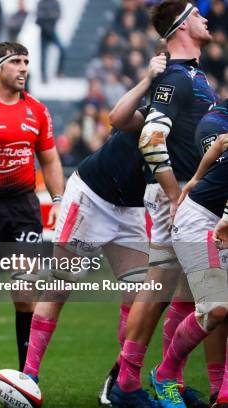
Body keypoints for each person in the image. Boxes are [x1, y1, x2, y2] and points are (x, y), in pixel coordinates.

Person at [14, 54, 165, 407]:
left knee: (139, 297)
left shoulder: (195, 116)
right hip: (93, 197)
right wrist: (146, 78)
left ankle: (120, 383)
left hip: (130, 208)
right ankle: (29, 377)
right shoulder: (153, 105)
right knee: (61, 286)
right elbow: (116, 117)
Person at [109, 2, 219, 407]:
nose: (206, 17)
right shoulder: (176, 76)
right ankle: (129, 381)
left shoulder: (192, 75)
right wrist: (176, 195)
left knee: (186, 293)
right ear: (182, 25)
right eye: (197, 12)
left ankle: (159, 379)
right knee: (159, 289)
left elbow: (131, 121)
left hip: (192, 198)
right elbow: (151, 139)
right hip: (178, 198)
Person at [0, 41, 64, 395]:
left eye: (27, 62)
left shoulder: (37, 110)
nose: (24, 68)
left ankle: (26, 375)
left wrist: (59, 200)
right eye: (16, 62)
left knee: (24, 291)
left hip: (22, 208)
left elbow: (49, 159)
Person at [149, 99, 228, 408]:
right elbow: (221, 141)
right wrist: (197, 179)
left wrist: (196, 178)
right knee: (217, 308)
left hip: (219, 219)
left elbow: (222, 142)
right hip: (201, 222)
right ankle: (164, 375)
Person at [36, 0, 66, 83]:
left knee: (62, 49)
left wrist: (48, 15)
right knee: (43, 55)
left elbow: (58, 14)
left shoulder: (55, 3)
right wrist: (50, 15)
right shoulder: (41, 3)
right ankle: (43, 77)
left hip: (52, 31)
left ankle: (59, 72)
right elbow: (39, 16)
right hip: (44, 32)